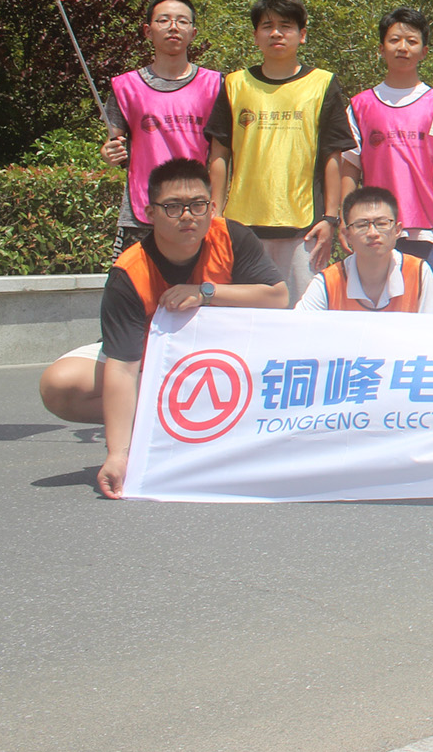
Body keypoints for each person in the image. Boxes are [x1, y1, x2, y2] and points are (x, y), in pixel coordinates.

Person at [37, 158, 289, 499]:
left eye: (198, 205)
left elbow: (277, 297)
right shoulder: (128, 272)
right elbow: (123, 369)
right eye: (172, 206)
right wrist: (119, 454)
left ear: (212, 207)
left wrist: (205, 292)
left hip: (223, 361)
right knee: (59, 385)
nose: (187, 216)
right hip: (150, 362)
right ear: (150, 213)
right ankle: (156, 430)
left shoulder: (232, 237)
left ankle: (213, 427)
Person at [204, 0, 354, 299]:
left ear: (302, 35)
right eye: (267, 26)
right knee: (246, 313)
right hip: (241, 226)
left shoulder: (322, 84)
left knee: (304, 314)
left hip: (304, 227)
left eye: (285, 26)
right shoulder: (234, 84)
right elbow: (219, 154)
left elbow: (333, 156)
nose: (276, 33)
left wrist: (330, 218)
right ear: (255, 36)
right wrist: (215, 215)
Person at [100, 0, 223, 256]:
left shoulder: (216, 85)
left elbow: (221, 154)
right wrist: (109, 152)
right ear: (148, 31)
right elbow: (113, 142)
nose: (173, 27)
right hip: (143, 211)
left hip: (196, 214)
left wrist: (217, 209)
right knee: (134, 282)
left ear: (193, 32)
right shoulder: (126, 87)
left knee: (197, 283)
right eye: (164, 20)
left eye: (182, 21)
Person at [341, 7, 433, 279]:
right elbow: (350, 168)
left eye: (412, 41)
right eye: (394, 40)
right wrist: (345, 218)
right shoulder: (360, 105)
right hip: (372, 229)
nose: (403, 47)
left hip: (425, 228)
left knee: (424, 300)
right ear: (381, 49)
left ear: (424, 51)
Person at [297, 185, 433, 313]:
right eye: (361, 225)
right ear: (347, 235)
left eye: (382, 223)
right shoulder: (328, 282)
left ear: (397, 231)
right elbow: (299, 328)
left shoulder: (418, 273)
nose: (373, 233)